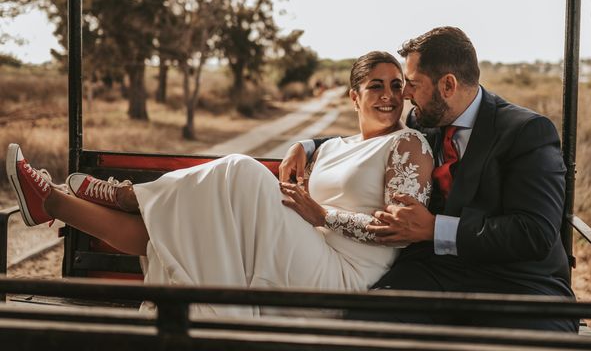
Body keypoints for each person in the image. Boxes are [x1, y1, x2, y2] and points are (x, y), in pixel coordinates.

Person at [6, 51, 434, 317]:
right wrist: (307, 148)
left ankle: (127, 194)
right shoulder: (331, 146)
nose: (389, 95)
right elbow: (325, 164)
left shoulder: (409, 143)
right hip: (306, 248)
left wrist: (321, 214)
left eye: (397, 86)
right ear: (353, 97)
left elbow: (394, 231)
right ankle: (54, 203)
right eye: (375, 86)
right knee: (177, 232)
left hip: (344, 275)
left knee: (242, 172)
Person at [279, 26, 577, 332]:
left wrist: (436, 229)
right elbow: (370, 138)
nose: (405, 95)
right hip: (435, 272)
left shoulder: (526, 131)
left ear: (447, 85)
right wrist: (309, 145)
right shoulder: (424, 121)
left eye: (412, 84)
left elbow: (535, 232)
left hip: (518, 281)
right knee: (366, 323)